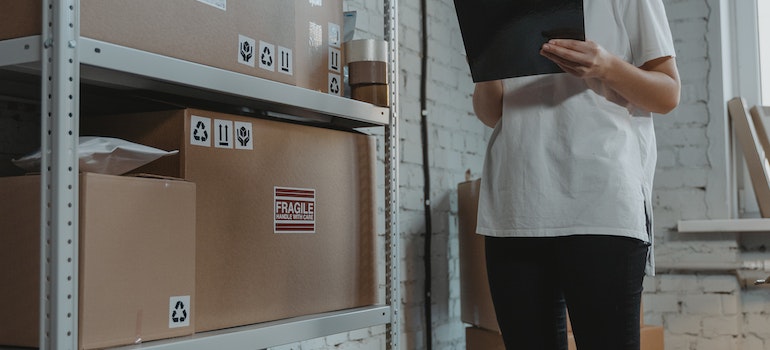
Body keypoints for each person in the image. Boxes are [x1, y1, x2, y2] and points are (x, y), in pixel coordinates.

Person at [471, 1, 681, 349]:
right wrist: (486, 62)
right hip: (515, 203)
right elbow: (492, 112)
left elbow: (668, 93)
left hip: (601, 202)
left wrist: (606, 66)